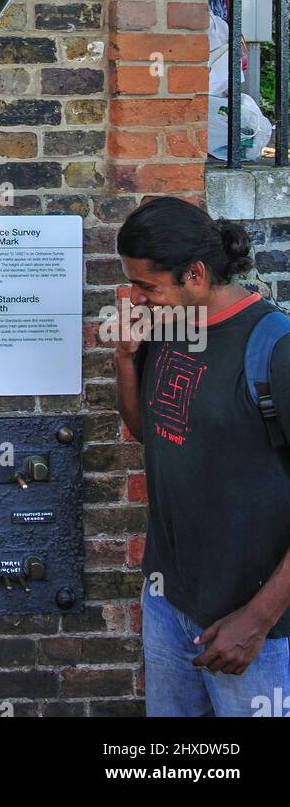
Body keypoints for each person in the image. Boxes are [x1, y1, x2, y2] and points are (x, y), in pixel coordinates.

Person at [114, 196, 290, 717]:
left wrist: (256, 620)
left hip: (256, 630)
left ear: (194, 273)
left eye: (147, 286)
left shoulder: (275, 348)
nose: (137, 300)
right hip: (170, 606)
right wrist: (125, 358)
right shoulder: (169, 328)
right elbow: (152, 431)